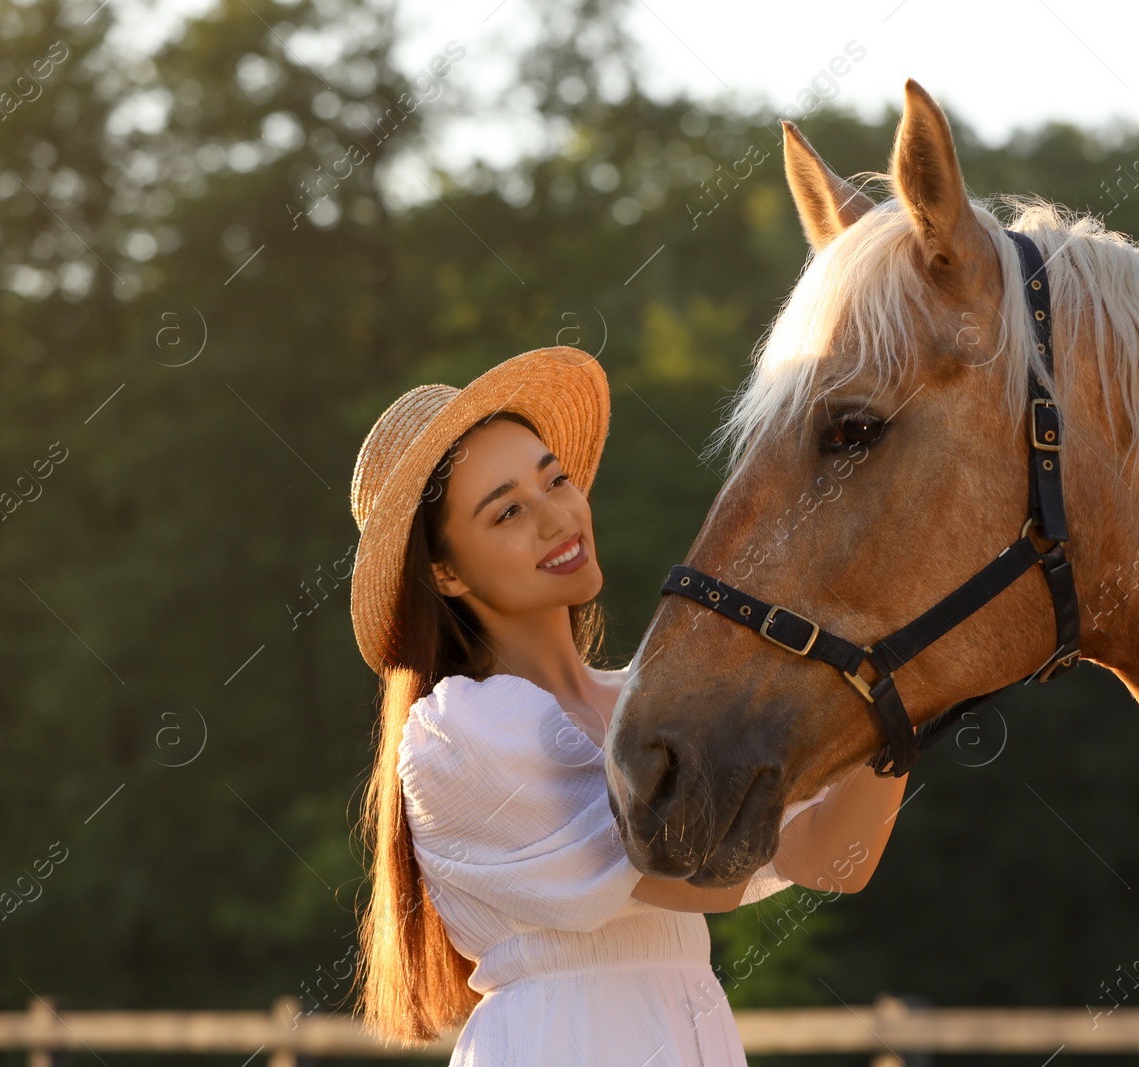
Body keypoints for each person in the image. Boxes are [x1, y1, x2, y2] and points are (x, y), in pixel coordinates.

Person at [346, 346, 911, 1065]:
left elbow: (835, 858)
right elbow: (696, 875)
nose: (556, 516)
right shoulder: (459, 735)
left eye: (555, 480)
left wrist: (894, 694)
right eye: (509, 510)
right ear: (445, 571)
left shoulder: (645, 703)